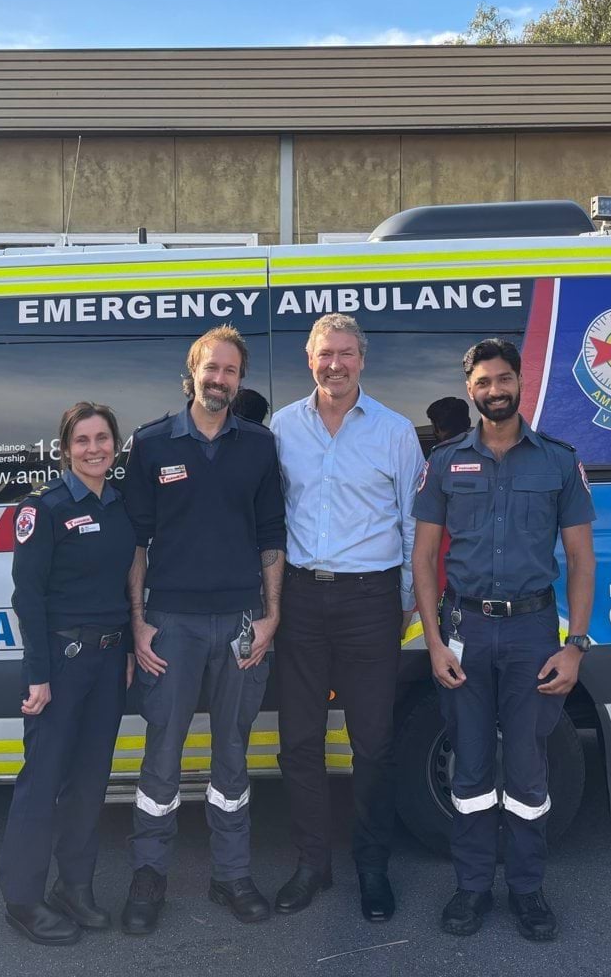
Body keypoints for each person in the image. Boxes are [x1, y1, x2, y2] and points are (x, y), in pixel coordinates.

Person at [411, 338, 596, 942]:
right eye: (484, 382)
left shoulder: (558, 462)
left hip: (532, 633)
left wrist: (576, 645)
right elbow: (423, 558)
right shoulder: (445, 462)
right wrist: (434, 642)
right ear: (471, 390)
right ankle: (471, 888)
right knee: (468, 766)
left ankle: (526, 889)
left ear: (520, 382)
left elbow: (581, 558)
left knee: (527, 768)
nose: (495, 390)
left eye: (504, 379)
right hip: (464, 629)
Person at [120, 325, 287, 934]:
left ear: (240, 380)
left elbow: (271, 536)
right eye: (210, 368)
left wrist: (271, 616)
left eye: (230, 371)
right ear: (191, 373)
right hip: (171, 624)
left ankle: (231, 874)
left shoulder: (259, 446)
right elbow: (135, 542)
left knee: (232, 755)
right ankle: (149, 874)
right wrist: (138, 622)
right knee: (162, 753)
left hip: (242, 620)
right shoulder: (152, 443)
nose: (220, 379)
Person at [268, 313, 423, 922]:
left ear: (363, 359)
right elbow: (271, 518)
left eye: (346, 353)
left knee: (374, 743)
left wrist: (405, 599)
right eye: (325, 353)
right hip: (301, 599)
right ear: (309, 359)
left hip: (369, 600)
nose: (335, 364)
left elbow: (412, 523)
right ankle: (312, 863)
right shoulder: (283, 427)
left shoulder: (395, 432)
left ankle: (372, 867)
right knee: (299, 741)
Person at [0, 401, 136, 947]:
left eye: (102, 438)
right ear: (65, 449)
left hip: (109, 661)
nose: (94, 448)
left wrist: (127, 650)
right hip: (62, 660)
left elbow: (123, 586)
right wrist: (38, 674)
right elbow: (27, 596)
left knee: (90, 781)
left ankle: (73, 887)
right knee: (43, 781)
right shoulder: (44, 507)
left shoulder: (120, 504)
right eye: (82, 440)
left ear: (115, 445)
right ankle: (23, 899)